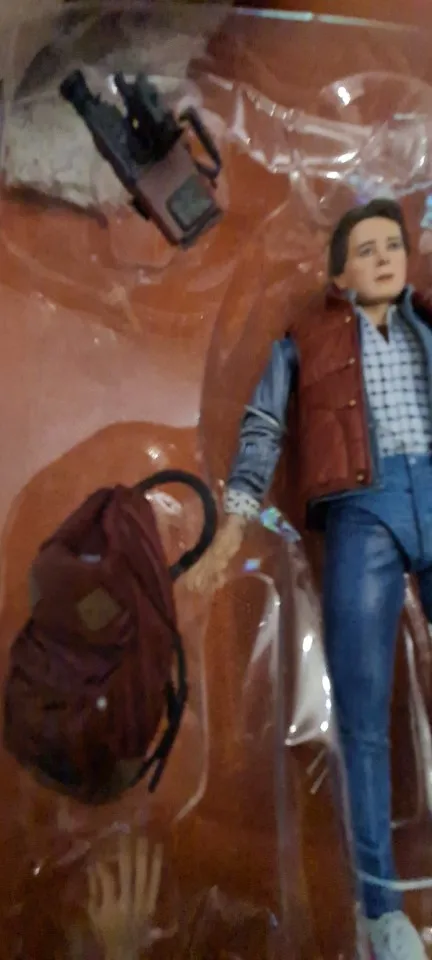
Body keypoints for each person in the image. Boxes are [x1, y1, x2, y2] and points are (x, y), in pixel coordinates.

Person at [186, 197, 432, 960]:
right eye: (367, 250)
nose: (384, 259)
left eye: (393, 246)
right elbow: (263, 425)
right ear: (338, 274)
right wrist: (234, 523)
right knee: (362, 710)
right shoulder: (304, 338)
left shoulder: (427, 325)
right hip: (361, 508)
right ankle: (381, 909)